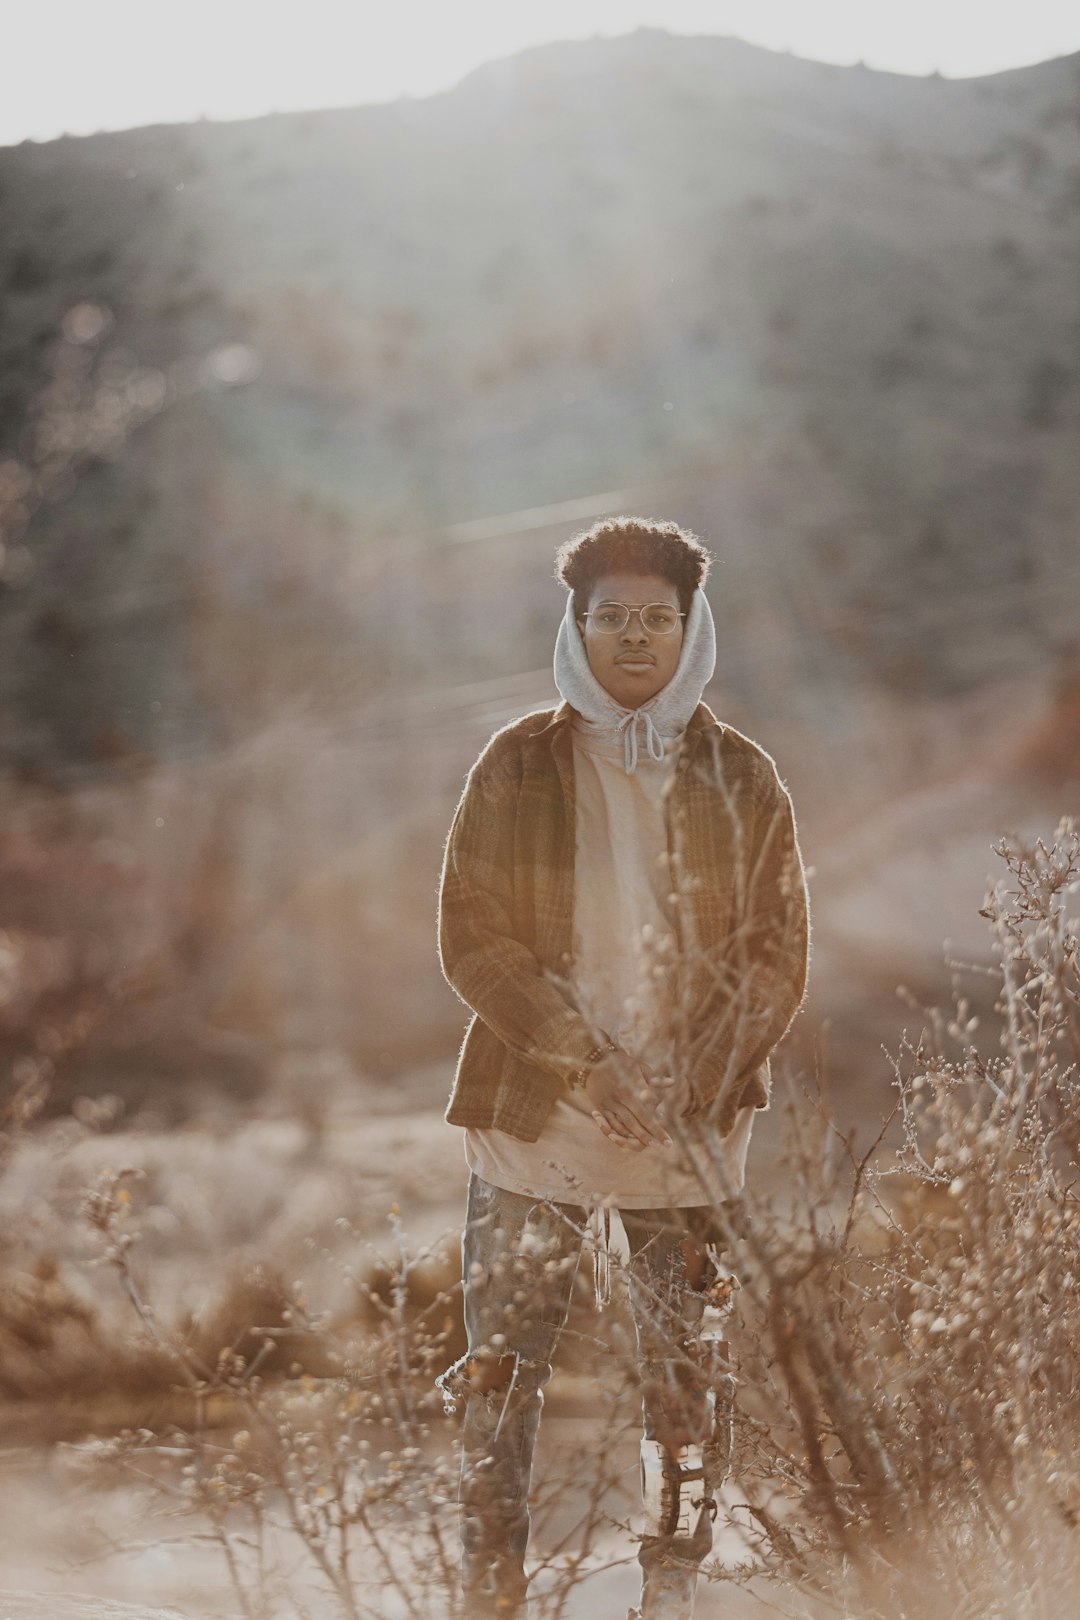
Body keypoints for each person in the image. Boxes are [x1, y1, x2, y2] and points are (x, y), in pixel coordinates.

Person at [435, 516, 811, 1619]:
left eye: (657, 619)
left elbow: (776, 954)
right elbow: (472, 935)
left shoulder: (741, 773)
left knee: (684, 1382)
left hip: (688, 1133)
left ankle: (671, 1596)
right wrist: (583, 1063)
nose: (634, 639)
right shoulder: (516, 762)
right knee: (503, 1373)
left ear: (691, 628)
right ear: (577, 627)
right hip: (535, 1115)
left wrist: (688, 1083)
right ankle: (488, 1592)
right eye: (612, 619)